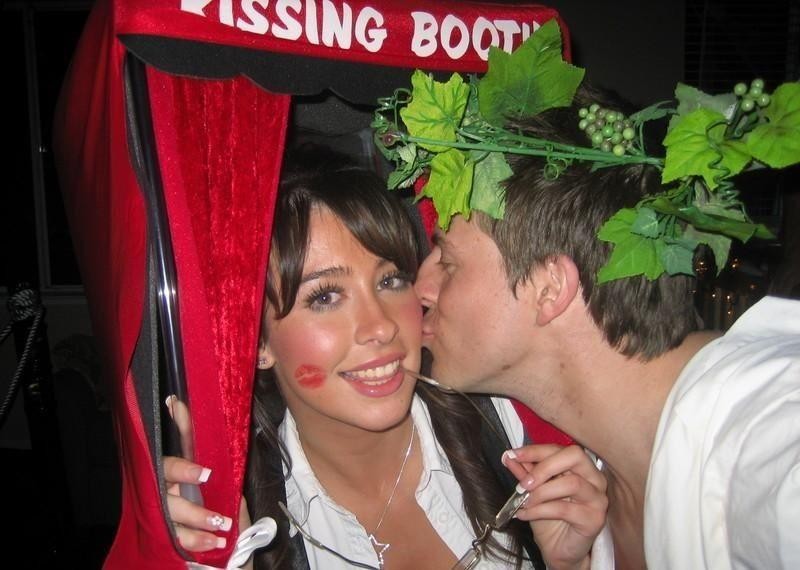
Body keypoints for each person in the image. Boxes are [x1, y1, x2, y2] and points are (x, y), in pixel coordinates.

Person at [164, 144, 608, 569]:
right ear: (256, 341)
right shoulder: (252, 521)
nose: (381, 326)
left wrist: (570, 565)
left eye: (391, 281)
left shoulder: (505, 427)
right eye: (325, 297)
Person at [412, 82, 800, 569]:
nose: (419, 288)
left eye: (447, 261)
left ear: (550, 287)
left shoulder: (767, 433)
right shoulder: (599, 489)